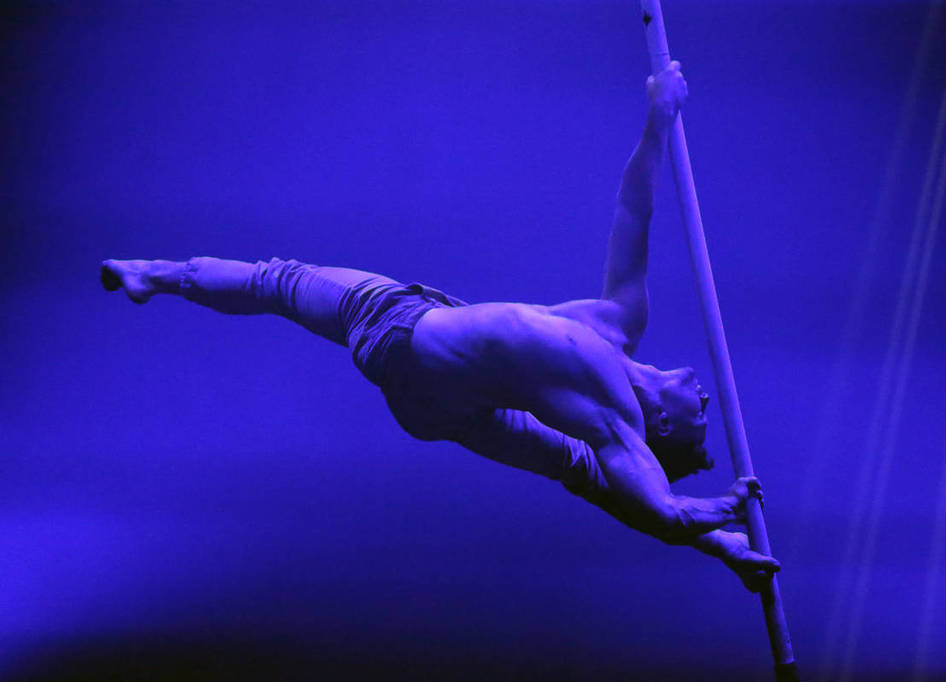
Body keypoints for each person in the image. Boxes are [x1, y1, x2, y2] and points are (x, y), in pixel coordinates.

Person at [100, 63, 780, 592]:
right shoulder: (619, 325)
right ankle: (153, 275)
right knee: (567, 462)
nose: (707, 396)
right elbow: (635, 213)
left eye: (702, 422)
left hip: (413, 344)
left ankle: (161, 274)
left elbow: (659, 509)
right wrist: (658, 119)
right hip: (442, 378)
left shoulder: (618, 418)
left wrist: (724, 507)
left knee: (282, 280)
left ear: (662, 428)